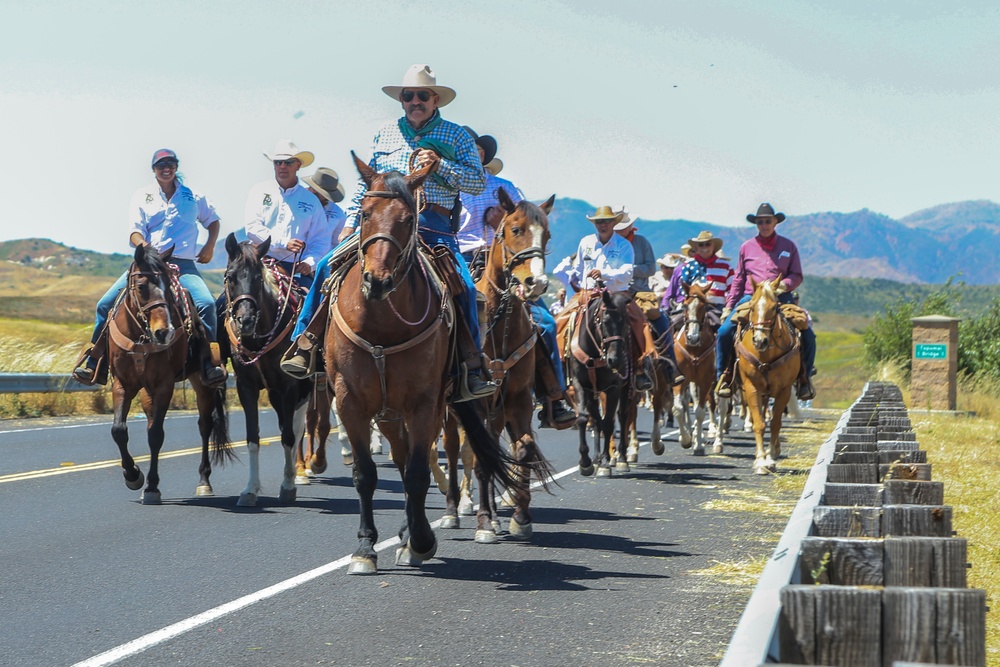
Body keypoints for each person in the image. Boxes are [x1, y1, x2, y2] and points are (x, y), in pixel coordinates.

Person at [281, 64, 494, 402]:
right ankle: (305, 342)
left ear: (435, 99)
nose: (414, 101)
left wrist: (441, 165)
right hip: (381, 225)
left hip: (433, 226)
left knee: (465, 287)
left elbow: (478, 182)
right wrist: (352, 221)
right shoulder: (385, 134)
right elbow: (368, 184)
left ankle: (472, 364)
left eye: (422, 96)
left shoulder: (456, 136)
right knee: (326, 267)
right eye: (408, 96)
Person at [72, 149, 226, 386]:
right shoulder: (142, 196)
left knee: (206, 304)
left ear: (176, 167)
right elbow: (134, 232)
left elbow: (213, 221)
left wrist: (209, 246)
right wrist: (146, 249)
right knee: (105, 304)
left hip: (182, 265)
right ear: (153, 169)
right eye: (161, 165)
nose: (166, 168)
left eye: (171, 164)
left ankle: (210, 362)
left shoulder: (193, 197)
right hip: (148, 265)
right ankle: (95, 362)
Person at [715, 203, 816, 401]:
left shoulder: (788, 246)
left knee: (807, 333)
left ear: (775, 222)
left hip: (781, 297)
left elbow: (797, 275)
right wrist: (729, 306)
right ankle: (724, 376)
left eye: (768, 221)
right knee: (724, 332)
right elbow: (739, 278)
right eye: (760, 222)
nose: (764, 225)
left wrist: (784, 285)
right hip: (751, 297)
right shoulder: (746, 247)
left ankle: (804, 377)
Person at [560, 206, 657, 391]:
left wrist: (603, 275)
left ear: (614, 223)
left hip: (616, 294)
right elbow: (579, 268)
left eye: (606, 221)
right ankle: (560, 363)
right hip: (588, 293)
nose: (602, 225)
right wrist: (581, 285)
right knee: (561, 321)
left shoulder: (623, 245)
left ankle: (641, 366)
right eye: (599, 221)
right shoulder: (585, 242)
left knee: (639, 321)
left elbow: (627, 272)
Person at [244, 140, 327, 290]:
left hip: (296, 267)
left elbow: (320, 239)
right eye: (278, 162)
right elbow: (252, 228)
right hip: (259, 260)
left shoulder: (311, 201)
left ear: (298, 165)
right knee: (233, 301)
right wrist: (283, 242)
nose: (282, 166)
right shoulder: (259, 190)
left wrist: (310, 263)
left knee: (312, 307)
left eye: (288, 162)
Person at [614, 209, 683, 385]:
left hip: (639, 292)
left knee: (659, 318)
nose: (620, 230)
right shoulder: (608, 244)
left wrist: (629, 271)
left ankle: (670, 365)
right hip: (614, 292)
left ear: (630, 226)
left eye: (623, 226)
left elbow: (650, 268)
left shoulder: (641, 242)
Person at [674, 230, 732, 330]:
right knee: (672, 324)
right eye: (701, 245)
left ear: (713, 247)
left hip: (717, 308)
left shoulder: (726, 266)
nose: (704, 248)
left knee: (721, 328)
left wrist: (727, 306)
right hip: (692, 307)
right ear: (696, 248)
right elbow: (682, 289)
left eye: (707, 244)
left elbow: (732, 290)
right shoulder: (688, 265)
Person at [301, 166, 348, 254]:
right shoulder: (295, 200)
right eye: (325, 195)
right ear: (314, 190)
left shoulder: (338, 214)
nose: (328, 199)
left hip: (320, 262)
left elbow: (336, 245)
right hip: (290, 258)